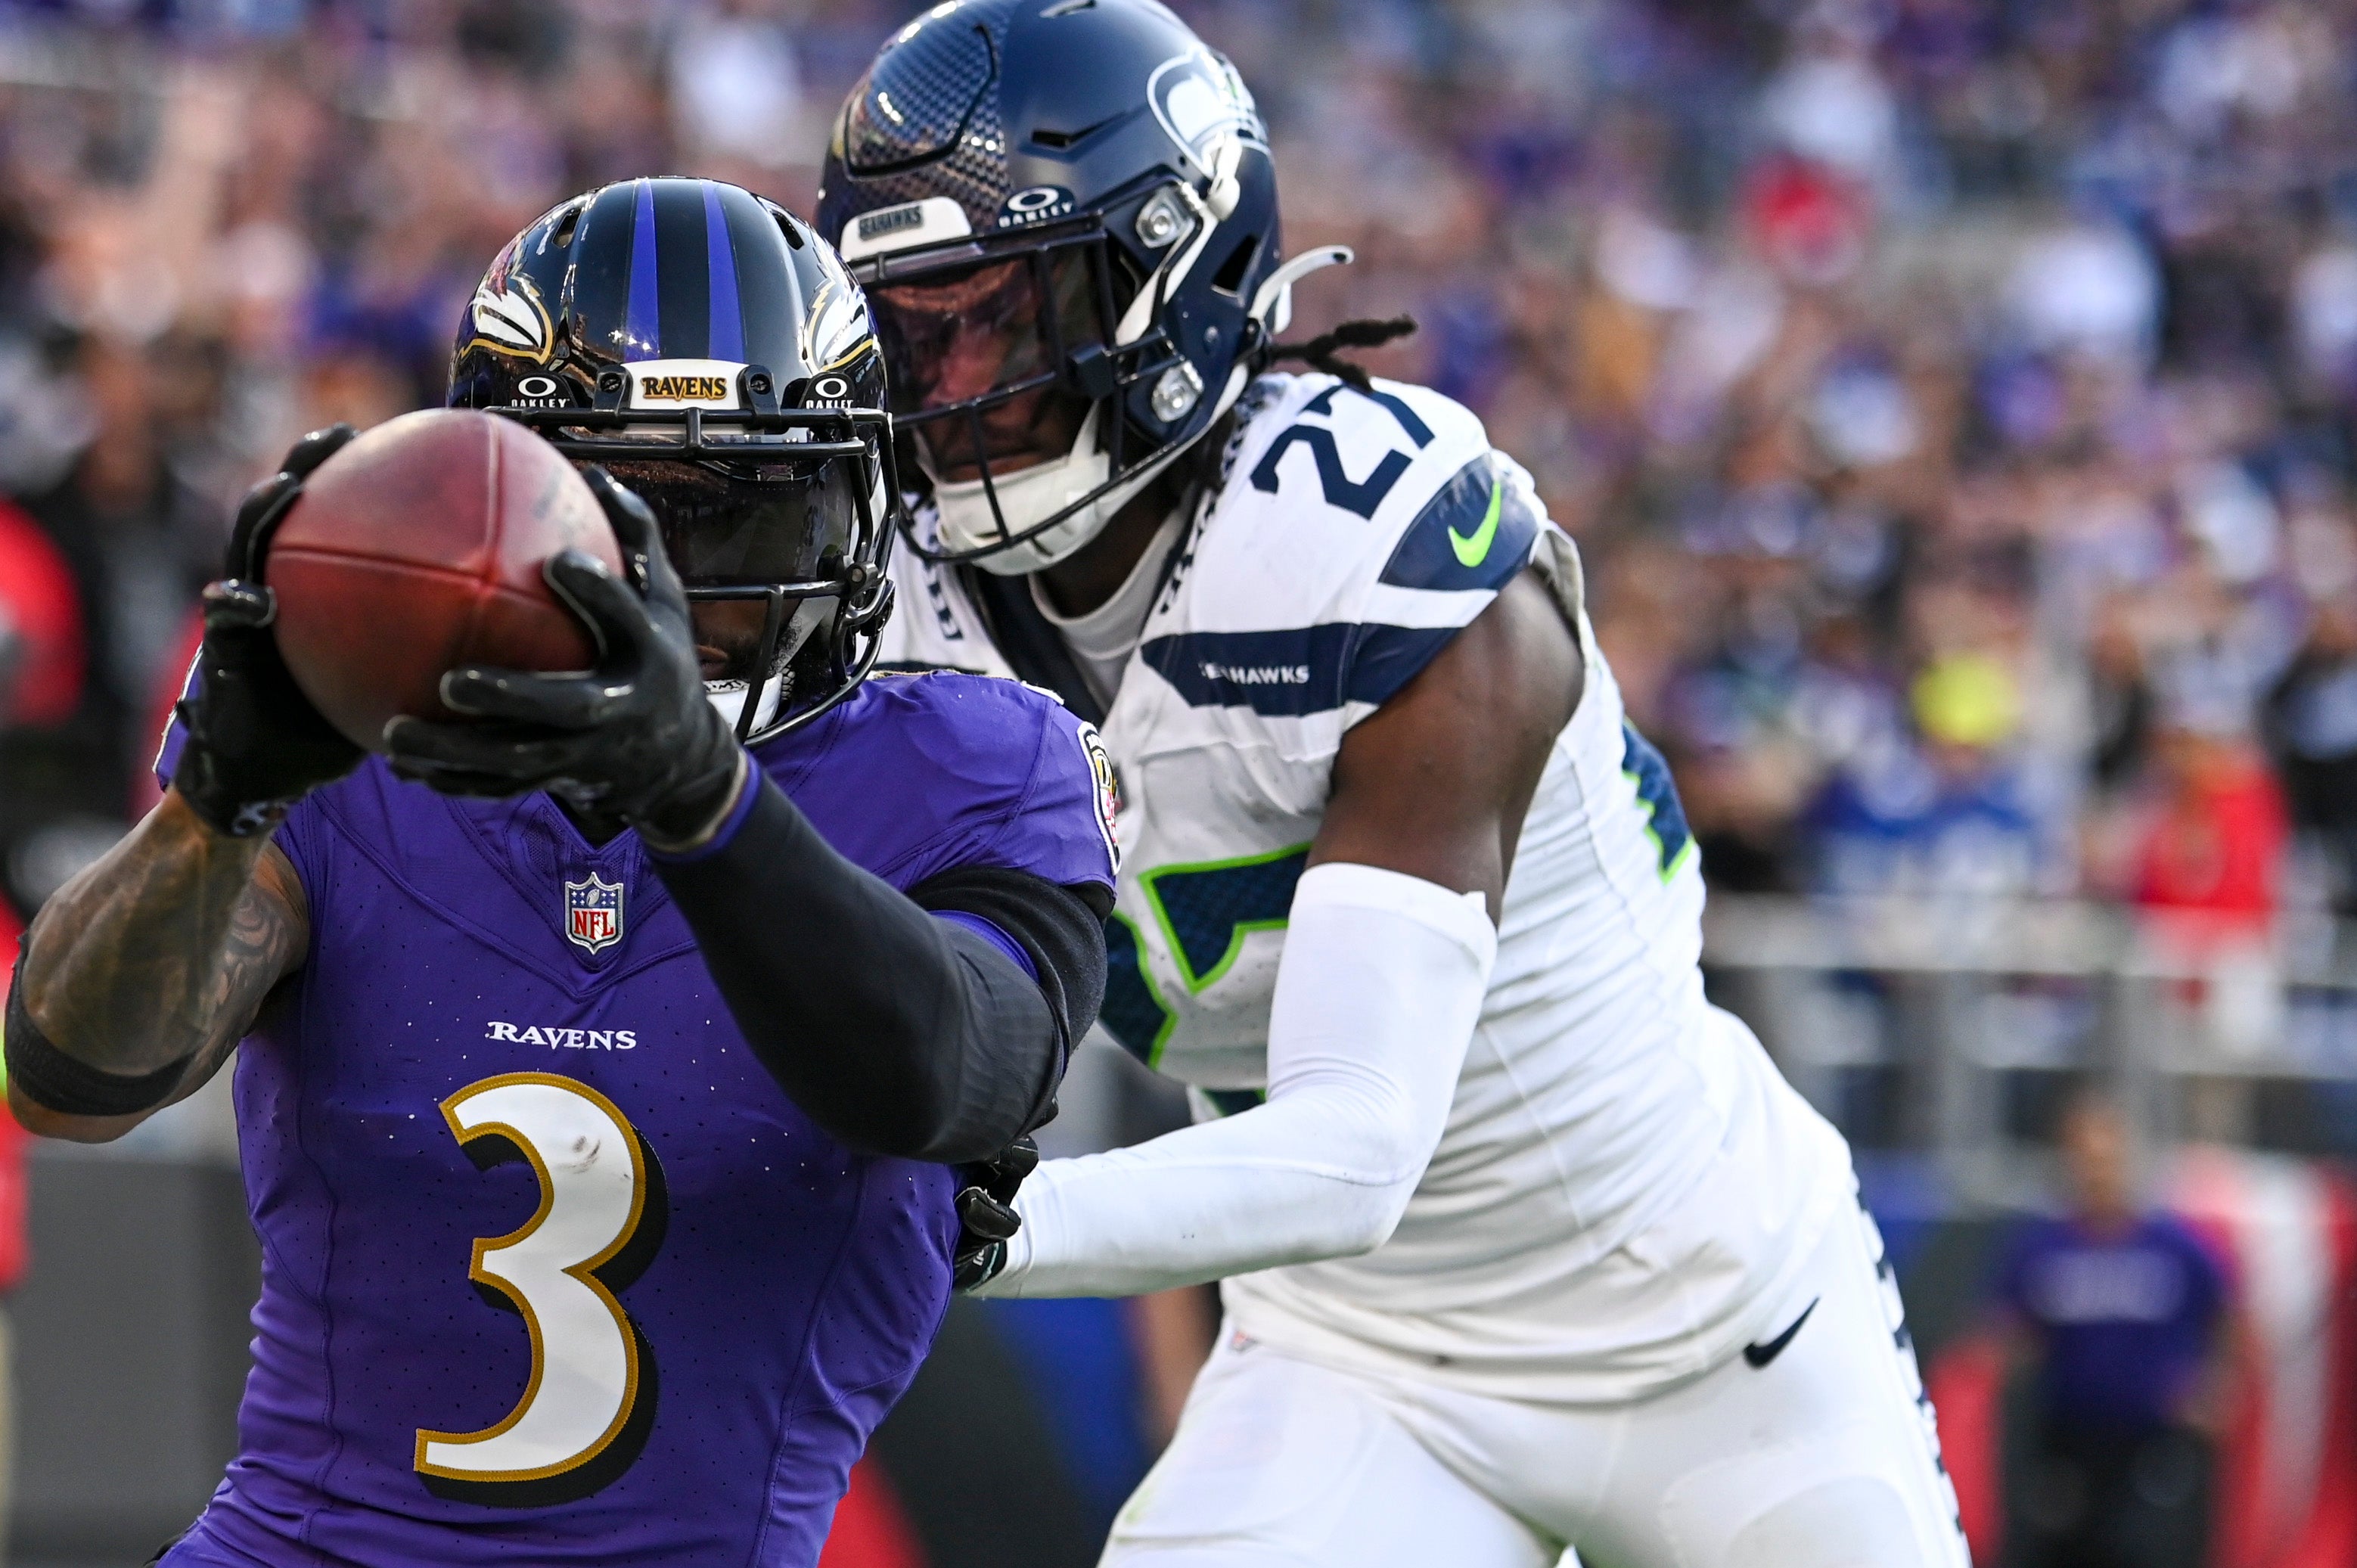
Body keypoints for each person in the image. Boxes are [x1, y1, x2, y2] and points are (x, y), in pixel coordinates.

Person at [818, 5, 1969, 1564]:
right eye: (908, 323)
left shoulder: (1381, 552)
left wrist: (959, 1215)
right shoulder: (889, 592)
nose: (945, 383)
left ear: (1170, 271)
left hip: (1710, 1325)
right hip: (1355, 1357)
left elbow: (1357, 1144)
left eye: (999, 318)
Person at [5, 177, 1116, 1568]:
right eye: (623, 526)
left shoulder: (971, 765)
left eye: (744, 517)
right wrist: (221, 800)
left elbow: (955, 1075)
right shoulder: (368, 740)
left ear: (856, 505)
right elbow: (68, 1080)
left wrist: (698, 799)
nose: (672, 601)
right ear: (497, 501)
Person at [1992, 1094, 2231, 1568]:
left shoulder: (2173, 1246)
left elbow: (2228, 1312)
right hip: (2069, 1436)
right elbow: (2004, 1330)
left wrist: (2213, 1387)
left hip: (2153, 1440)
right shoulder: (2045, 1247)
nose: (2098, 1173)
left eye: (2108, 1159)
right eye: (2086, 1160)